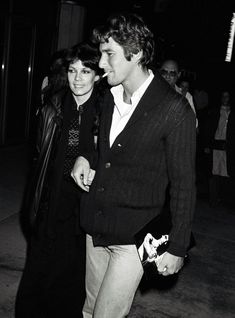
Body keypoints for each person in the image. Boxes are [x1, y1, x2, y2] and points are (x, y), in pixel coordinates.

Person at [71, 12, 196, 318]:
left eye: (109, 54)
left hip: (133, 236)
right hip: (96, 227)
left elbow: (183, 183)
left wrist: (178, 245)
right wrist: (85, 157)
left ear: (136, 52)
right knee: (89, 311)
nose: (101, 64)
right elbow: (105, 151)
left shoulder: (174, 109)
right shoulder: (111, 97)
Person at [15, 41, 103, 318]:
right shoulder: (53, 106)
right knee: (36, 273)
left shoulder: (106, 111)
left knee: (68, 278)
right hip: (50, 201)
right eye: (72, 71)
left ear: (97, 75)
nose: (77, 79)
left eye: (85, 72)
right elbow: (38, 160)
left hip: (82, 208)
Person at [205, 90, 235, 207]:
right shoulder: (214, 111)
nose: (225, 98)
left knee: (226, 172)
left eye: (227, 96)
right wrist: (207, 145)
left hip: (228, 148)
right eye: (223, 96)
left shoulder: (232, 113)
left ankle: (224, 199)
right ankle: (213, 199)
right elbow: (209, 129)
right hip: (215, 146)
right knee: (214, 171)